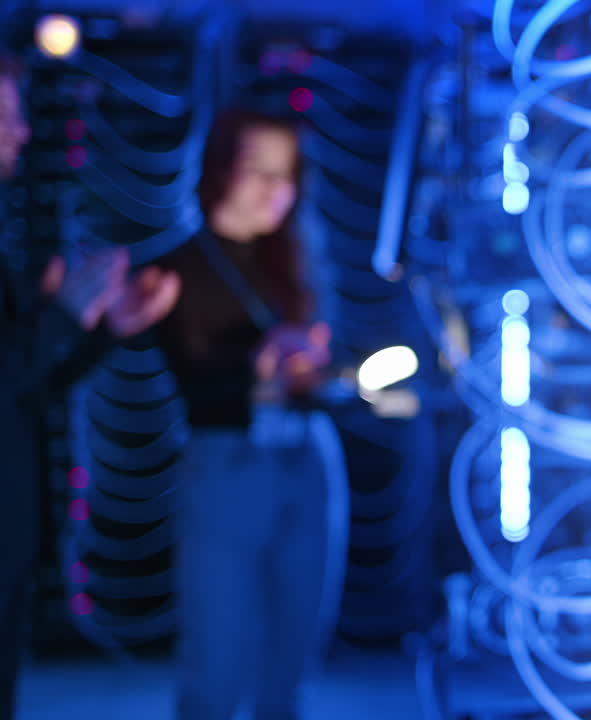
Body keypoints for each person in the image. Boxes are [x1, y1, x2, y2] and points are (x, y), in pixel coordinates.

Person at [0, 52, 181, 720]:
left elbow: (25, 390)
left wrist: (108, 330)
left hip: (14, 532)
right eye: (2, 116)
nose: (19, 132)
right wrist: (65, 314)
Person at [154, 108, 348, 720]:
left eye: (286, 174)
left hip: (306, 456)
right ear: (219, 170)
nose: (276, 189)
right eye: (257, 170)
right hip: (226, 463)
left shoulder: (296, 256)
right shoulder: (178, 267)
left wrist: (312, 365)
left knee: (292, 658)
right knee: (217, 658)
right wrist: (257, 369)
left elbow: (330, 356)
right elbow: (195, 378)